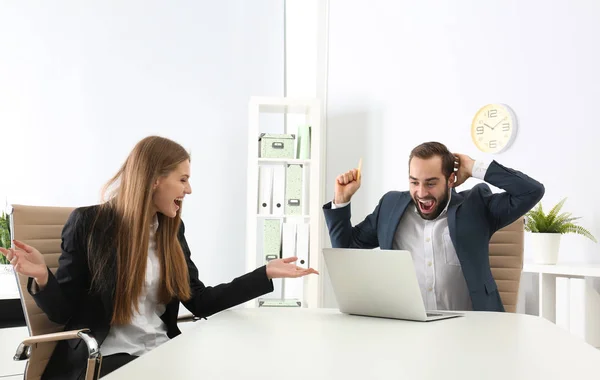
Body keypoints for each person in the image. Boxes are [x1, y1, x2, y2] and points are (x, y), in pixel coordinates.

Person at [0, 136, 318, 380]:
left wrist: (264, 274)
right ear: (154, 179)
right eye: (182, 179)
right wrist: (42, 276)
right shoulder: (89, 224)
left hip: (162, 349)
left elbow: (200, 300)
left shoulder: (170, 232)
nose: (189, 189)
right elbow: (63, 311)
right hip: (108, 356)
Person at [322, 141, 544, 313]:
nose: (421, 192)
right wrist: (341, 200)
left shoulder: (476, 206)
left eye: (431, 183)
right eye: (414, 182)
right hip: (407, 330)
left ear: (450, 180)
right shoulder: (390, 206)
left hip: (473, 331)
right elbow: (346, 251)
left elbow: (531, 191)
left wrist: (474, 167)